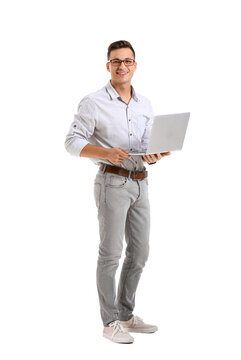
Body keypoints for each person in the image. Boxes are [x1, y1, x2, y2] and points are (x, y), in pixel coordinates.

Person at [64, 40, 171, 344]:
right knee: (110, 254)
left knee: (140, 252)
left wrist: (157, 153)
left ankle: (125, 314)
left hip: (141, 182)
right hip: (112, 183)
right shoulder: (93, 102)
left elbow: (149, 143)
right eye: (115, 61)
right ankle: (109, 321)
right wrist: (106, 152)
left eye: (127, 61)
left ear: (135, 65)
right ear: (108, 66)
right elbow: (71, 142)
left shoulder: (144, 103)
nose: (122, 66)